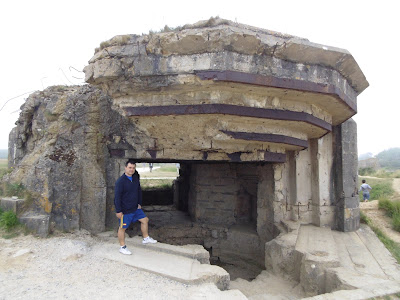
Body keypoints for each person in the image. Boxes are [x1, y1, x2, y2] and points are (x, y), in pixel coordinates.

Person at [114, 159, 157, 255]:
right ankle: (122, 247)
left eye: (133, 168)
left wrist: (139, 203)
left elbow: (138, 191)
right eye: (129, 167)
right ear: (125, 168)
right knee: (122, 228)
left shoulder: (135, 178)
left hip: (135, 208)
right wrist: (118, 211)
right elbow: (117, 197)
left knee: (145, 220)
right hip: (125, 210)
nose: (131, 169)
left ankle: (146, 238)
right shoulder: (120, 182)